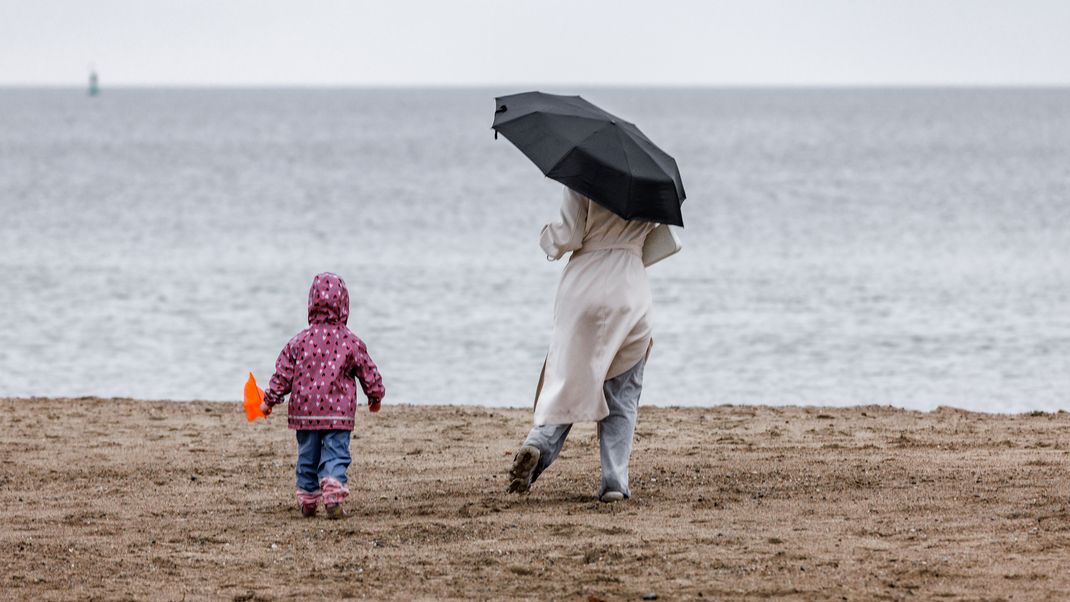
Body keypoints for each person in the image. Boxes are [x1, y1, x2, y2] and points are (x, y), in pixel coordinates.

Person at [508, 187, 655, 503]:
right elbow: (662, 239)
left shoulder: (585, 176)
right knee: (623, 390)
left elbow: (569, 235)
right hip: (630, 289)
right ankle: (614, 481)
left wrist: (546, 236)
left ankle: (540, 442)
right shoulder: (652, 183)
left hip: (584, 284)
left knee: (570, 379)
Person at [261, 272, 385, 519]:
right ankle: (332, 491)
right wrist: (375, 394)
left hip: (305, 413)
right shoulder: (350, 342)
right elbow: (367, 370)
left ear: (311, 304)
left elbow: (283, 373)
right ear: (344, 305)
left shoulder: (299, 341)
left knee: (307, 455)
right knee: (336, 452)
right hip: (337, 413)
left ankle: (307, 498)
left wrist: (269, 400)